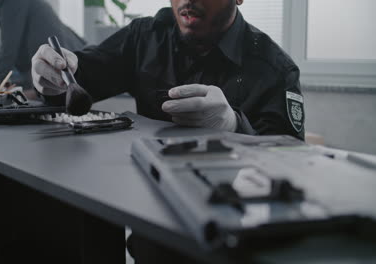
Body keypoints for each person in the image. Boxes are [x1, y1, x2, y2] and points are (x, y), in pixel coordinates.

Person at [32, 0, 305, 262]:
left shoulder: (274, 68)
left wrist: (234, 126)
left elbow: (291, 168)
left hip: (239, 242)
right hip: (153, 234)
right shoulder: (146, 37)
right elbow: (80, 79)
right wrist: (51, 79)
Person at [0, 0, 86, 89]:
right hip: (61, 59)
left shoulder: (10, 3)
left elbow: (9, 51)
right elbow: (15, 47)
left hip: (61, 63)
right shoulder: (3, 5)